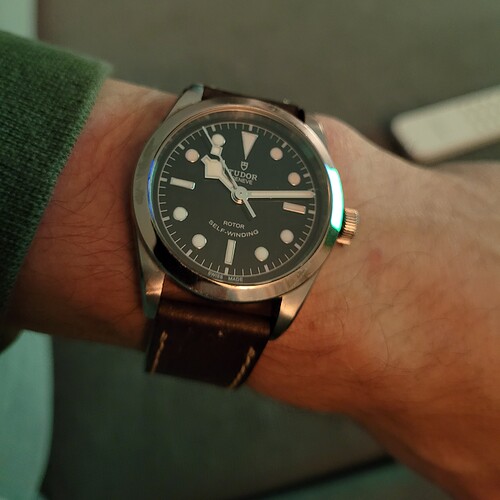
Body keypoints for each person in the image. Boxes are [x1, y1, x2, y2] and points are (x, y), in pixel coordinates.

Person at [1, 31, 499, 499]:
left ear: (340, 226)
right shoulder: (163, 246)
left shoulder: (306, 241)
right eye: (237, 191)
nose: (239, 195)